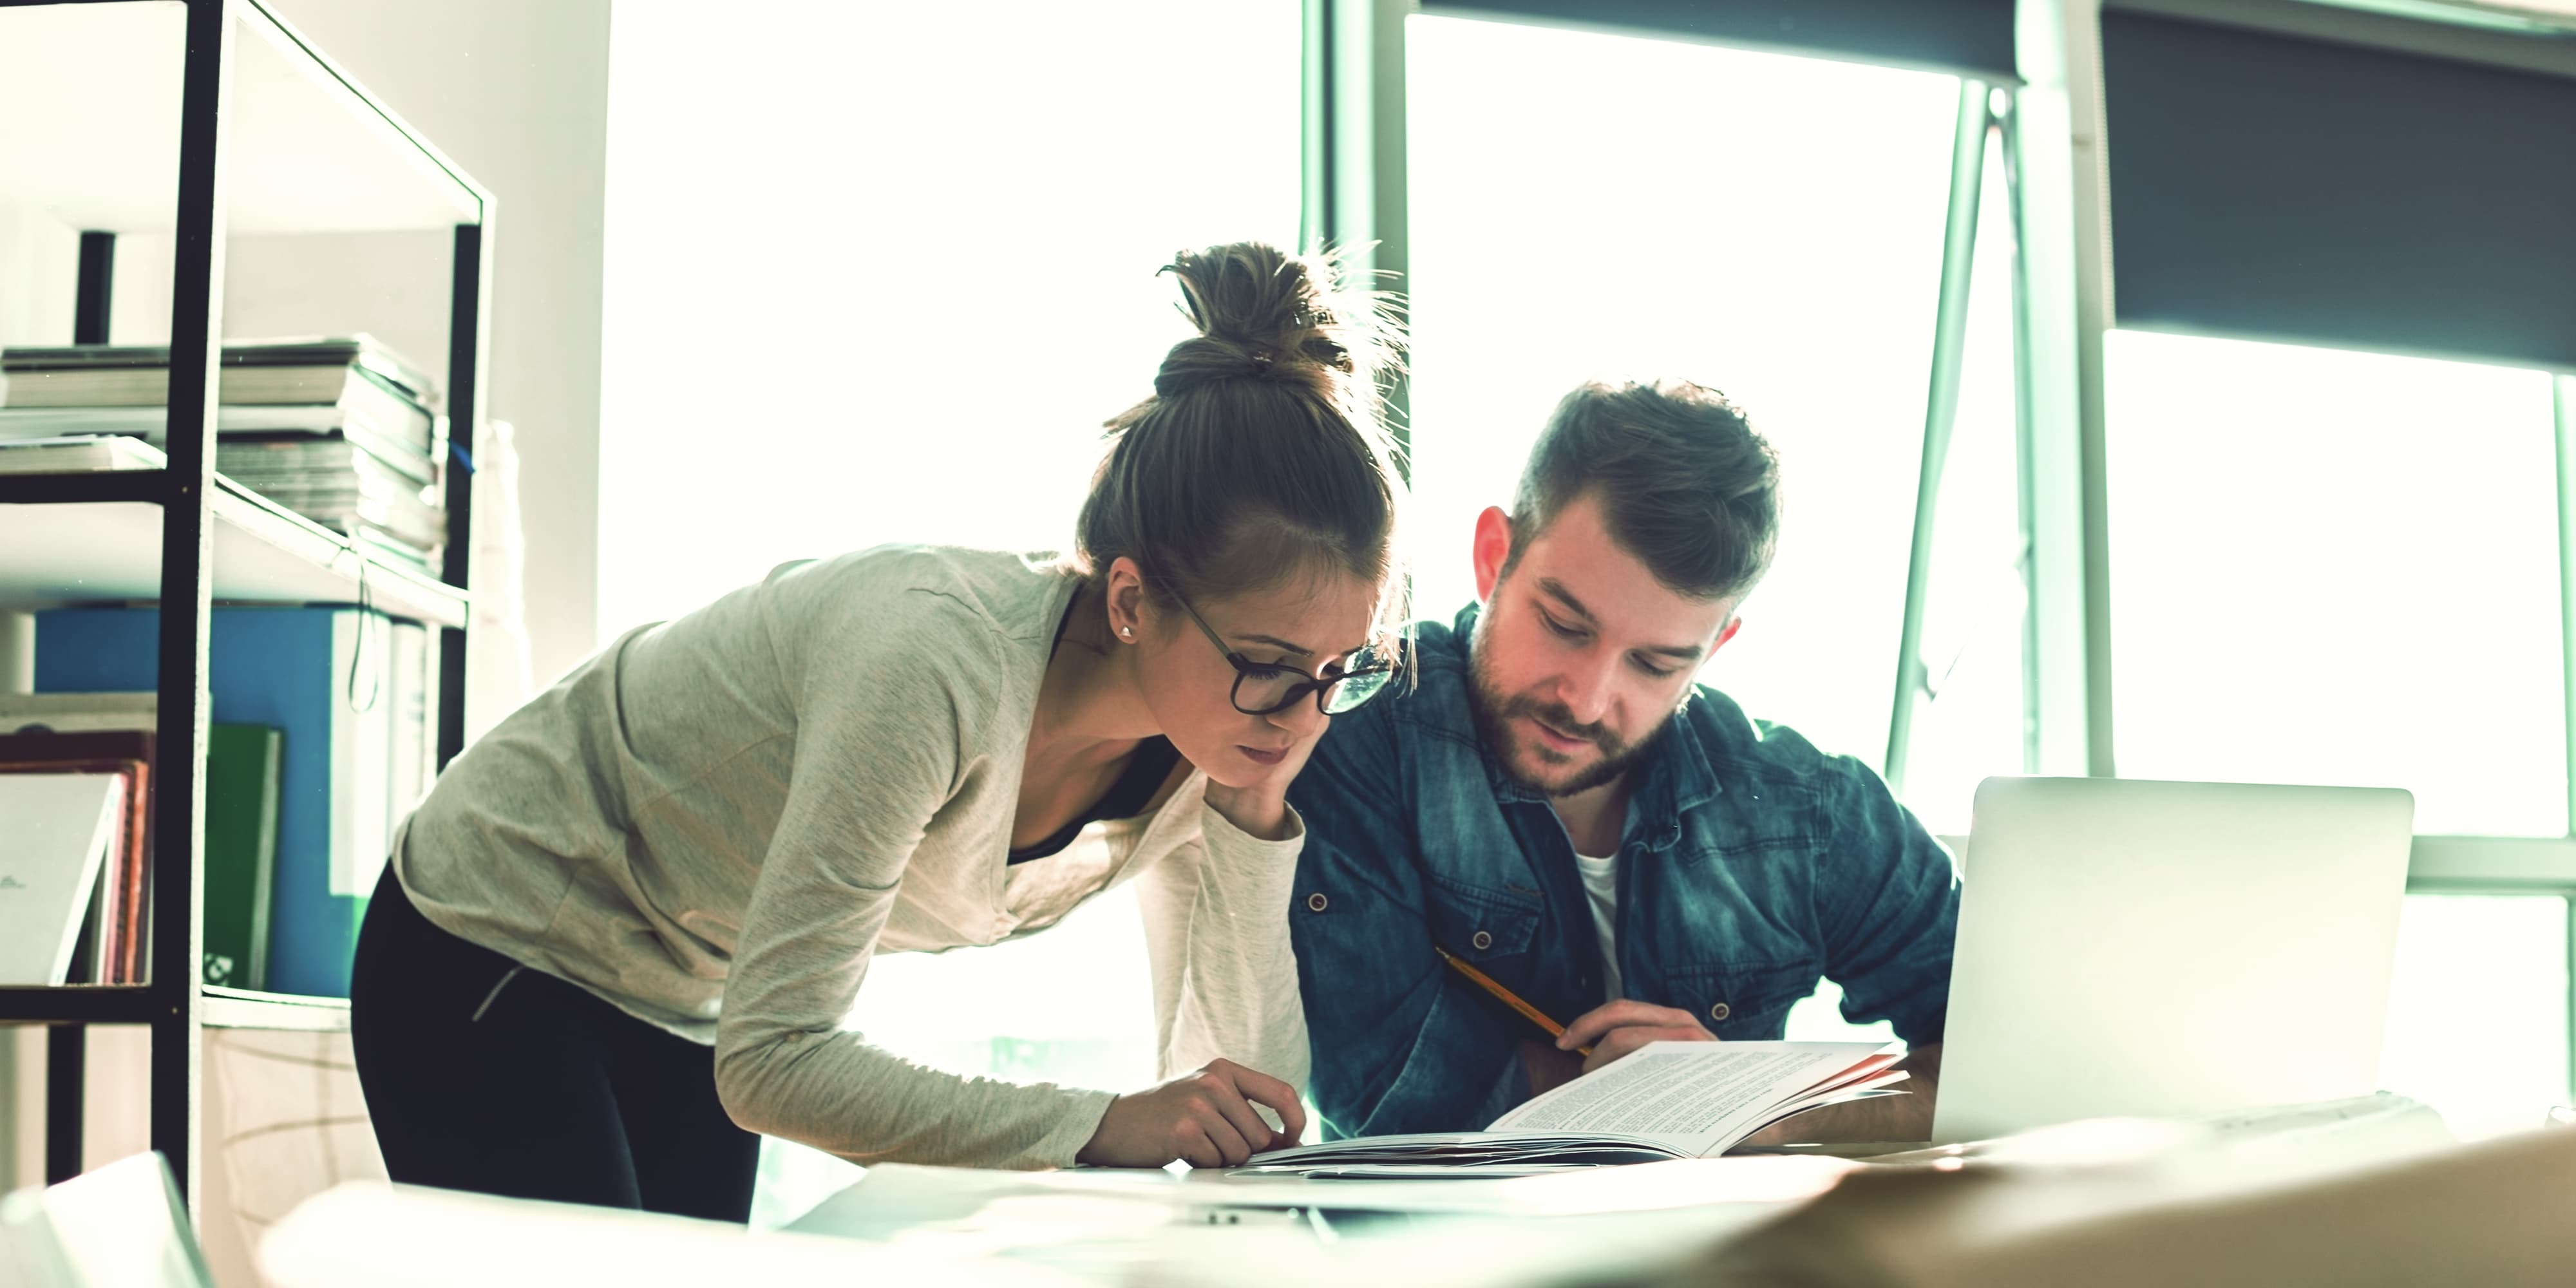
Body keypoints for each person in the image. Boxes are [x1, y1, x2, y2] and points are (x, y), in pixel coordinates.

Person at [350, 242, 1409, 1222]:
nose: (1304, 717)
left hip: (688, 993)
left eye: (1340, 673)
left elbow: (1249, 1108)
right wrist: (1097, 1124)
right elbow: (778, 1061)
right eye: (1270, 668)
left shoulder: (1215, 746)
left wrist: (1250, 821)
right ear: (1132, 602)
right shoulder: (930, 665)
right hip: (501, 921)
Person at [1286, 379, 1958, 1142]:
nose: (1588, 698)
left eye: (1655, 664)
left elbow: (2003, 1060)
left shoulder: (1810, 809)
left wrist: (1753, 1105)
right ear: (1492, 556)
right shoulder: (1357, 733)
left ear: (1713, 650)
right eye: (1565, 625)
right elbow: (1382, 1086)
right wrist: (1647, 1095)